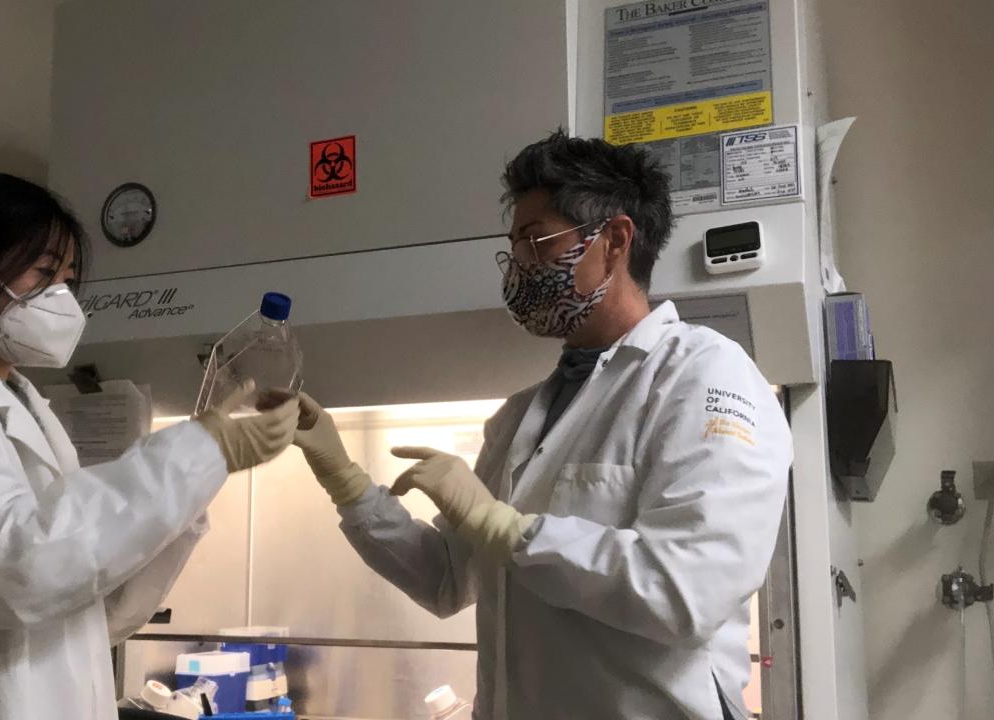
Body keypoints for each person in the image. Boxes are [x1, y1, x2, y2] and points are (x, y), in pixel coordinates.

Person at [292, 131, 792, 720]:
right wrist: (343, 477)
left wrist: (501, 526)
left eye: (537, 242)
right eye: (515, 248)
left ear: (615, 240)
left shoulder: (704, 377)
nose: (520, 268)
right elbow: (448, 580)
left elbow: (687, 592)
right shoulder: (518, 417)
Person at [0, 172, 300, 720]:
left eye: (68, 280)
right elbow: (15, 571)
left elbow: (89, 603)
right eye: (44, 273)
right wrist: (196, 455)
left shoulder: (21, 401)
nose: (62, 298)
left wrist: (197, 475)